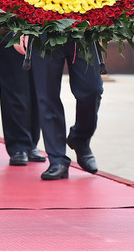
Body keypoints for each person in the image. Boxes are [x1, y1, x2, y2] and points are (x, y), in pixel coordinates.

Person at [16, 36, 103, 181]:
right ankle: (57, 159)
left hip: (81, 28)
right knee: (47, 95)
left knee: (92, 89)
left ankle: (80, 138)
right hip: (42, 29)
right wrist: (19, 29)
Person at [0, 35, 45, 166]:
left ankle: (31, 143)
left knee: (37, 90)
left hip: (38, 32)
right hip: (9, 29)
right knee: (14, 90)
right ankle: (18, 146)